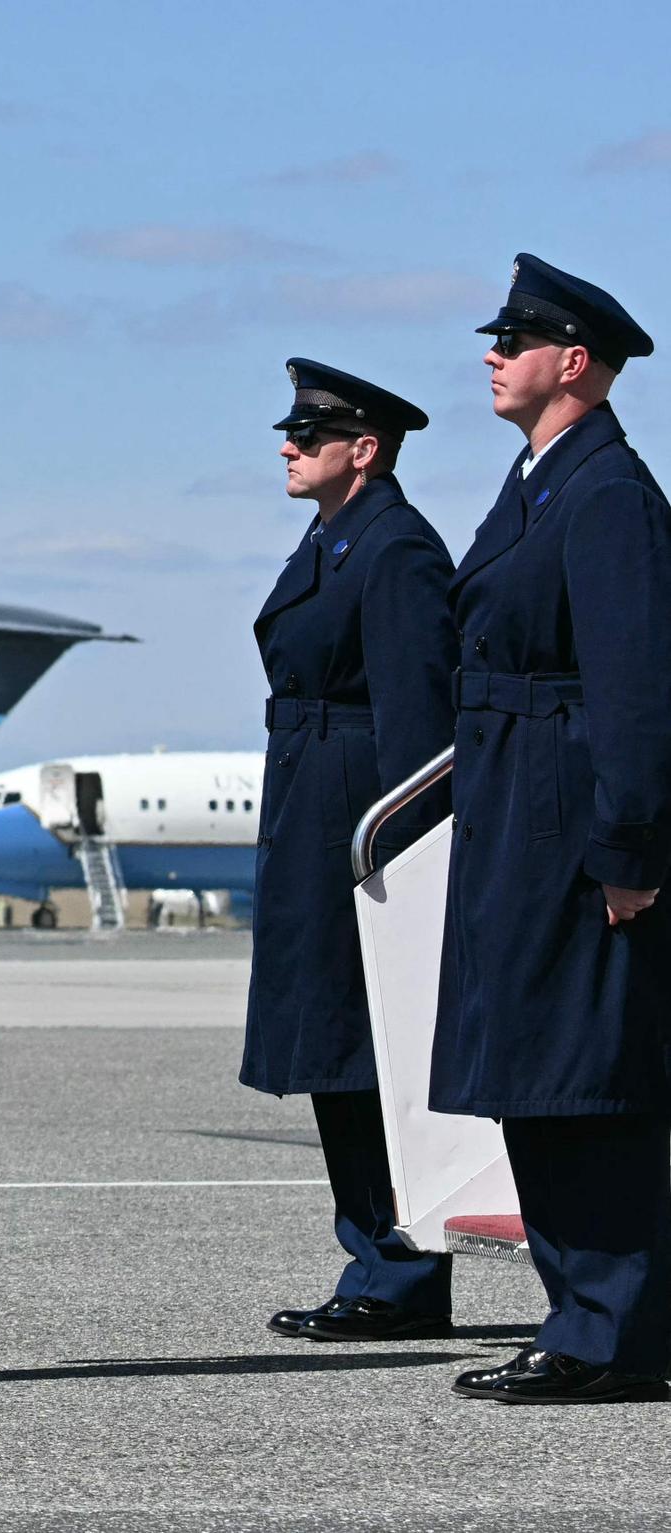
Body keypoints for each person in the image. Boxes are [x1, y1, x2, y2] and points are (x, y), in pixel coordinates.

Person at [434, 255, 671, 1405]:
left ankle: (614, 1334)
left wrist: (630, 849)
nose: (493, 355)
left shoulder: (609, 493)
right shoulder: (539, 481)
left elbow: (635, 688)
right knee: (538, 1079)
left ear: (572, 362)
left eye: (515, 341)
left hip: (571, 823)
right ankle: (578, 1316)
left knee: (591, 1081)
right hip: (515, 810)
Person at [244, 361, 458, 1343]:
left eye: (306, 429)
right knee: (333, 1050)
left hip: (358, 821)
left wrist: (398, 859)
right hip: (311, 801)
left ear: (363, 450)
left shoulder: (397, 550)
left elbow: (421, 720)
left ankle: (398, 1273)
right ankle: (377, 1255)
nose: (286, 443)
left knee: (362, 1049)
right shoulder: (333, 537)